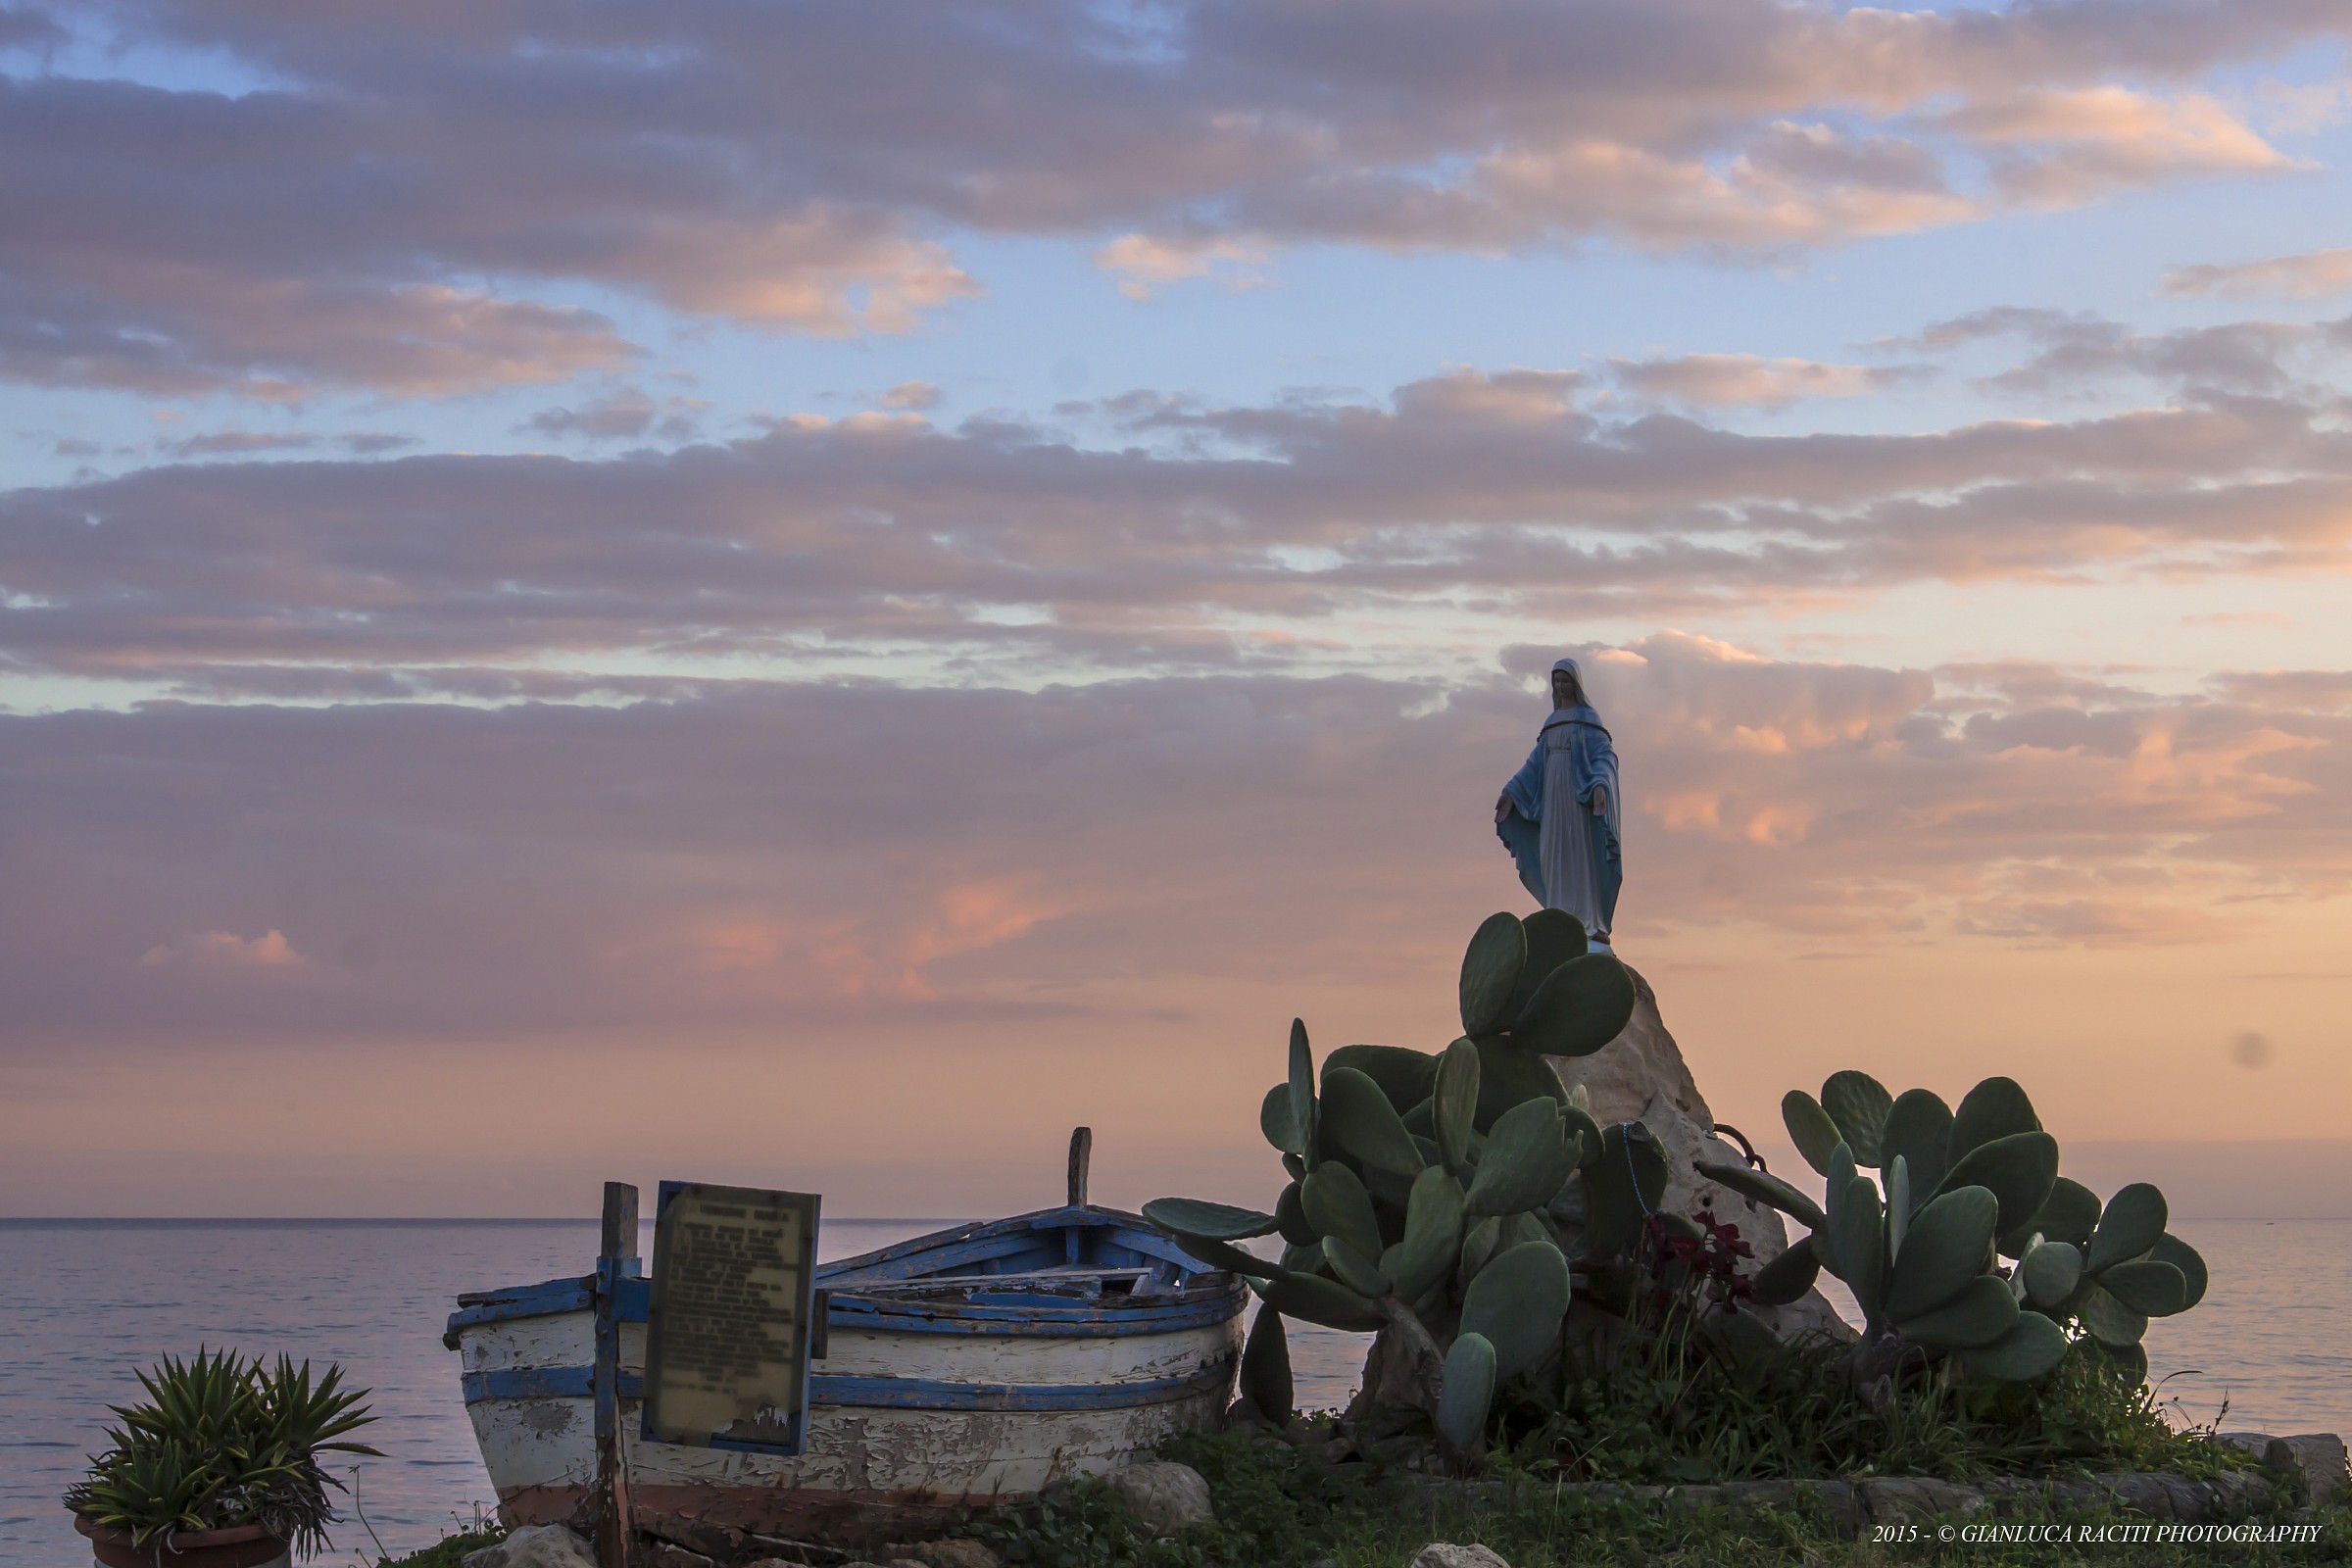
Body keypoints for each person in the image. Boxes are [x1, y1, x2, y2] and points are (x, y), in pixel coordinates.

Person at [1495, 656, 1622, 949]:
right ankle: (1560, 915)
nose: (1561, 686)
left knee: (1579, 856)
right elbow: (1534, 764)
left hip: (1577, 801)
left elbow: (1605, 756)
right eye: (1557, 681)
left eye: (1565, 681)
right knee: (1554, 852)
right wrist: (1512, 791)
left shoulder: (1588, 721)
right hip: (1553, 799)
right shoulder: (1551, 724)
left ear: (1575, 684)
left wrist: (1601, 784)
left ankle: (1588, 921)